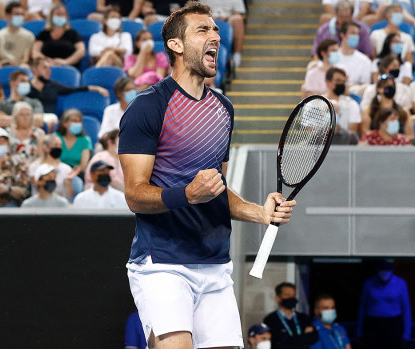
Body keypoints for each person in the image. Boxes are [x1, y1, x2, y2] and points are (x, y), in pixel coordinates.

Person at [119, 3, 297, 348]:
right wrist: (185, 194)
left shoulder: (223, 109)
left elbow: (218, 189)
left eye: (216, 30)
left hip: (215, 265)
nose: (215, 35)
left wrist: (258, 212)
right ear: (176, 45)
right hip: (162, 262)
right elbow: (134, 194)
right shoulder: (148, 106)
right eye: (203, 30)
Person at [357, 260, 411, 349]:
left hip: (393, 324)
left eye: (387, 268)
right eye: (382, 268)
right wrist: (359, 333)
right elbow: (362, 308)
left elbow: (406, 309)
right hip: (373, 324)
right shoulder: (369, 283)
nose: (384, 272)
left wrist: (406, 335)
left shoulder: (400, 283)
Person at [29, 56, 109, 116]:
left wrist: (96, 88)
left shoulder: (53, 85)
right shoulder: (26, 86)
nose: (48, 71)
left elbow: (73, 89)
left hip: (48, 117)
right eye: (44, 67)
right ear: (35, 69)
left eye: (49, 68)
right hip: (29, 116)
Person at [263, 282, 319, 349]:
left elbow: (314, 338)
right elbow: (277, 344)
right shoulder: (270, 319)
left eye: (293, 295)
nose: (291, 298)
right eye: (287, 295)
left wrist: (290, 339)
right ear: (278, 298)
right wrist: (303, 337)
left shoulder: (303, 317)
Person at [199, 0, 246, 68]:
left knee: (238, 19)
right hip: (209, 20)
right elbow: (199, 11)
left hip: (228, 20)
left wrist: (225, 18)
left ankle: (236, 56)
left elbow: (238, 12)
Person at [28, 133, 77, 199]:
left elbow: (69, 195)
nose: (58, 148)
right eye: (56, 145)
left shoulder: (66, 168)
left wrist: (67, 182)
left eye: (60, 145)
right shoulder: (34, 167)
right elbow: (37, 188)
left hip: (59, 205)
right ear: (46, 148)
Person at [0, 1, 36, 68]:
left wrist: (17, 64)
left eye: (22, 14)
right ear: (7, 15)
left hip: (20, 66)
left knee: (25, 67)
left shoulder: (29, 36)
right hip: (3, 66)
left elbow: (26, 59)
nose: (20, 17)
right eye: (17, 14)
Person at [55, 109, 92, 177]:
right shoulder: (56, 137)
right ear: (64, 123)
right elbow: (52, 159)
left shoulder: (85, 140)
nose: (77, 124)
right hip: (57, 172)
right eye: (74, 121)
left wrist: (72, 174)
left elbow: (83, 166)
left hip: (77, 174)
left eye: (79, 121)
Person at [336, 22, 371, 94]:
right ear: (342, 35)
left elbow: (365, 85)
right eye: (352, 33)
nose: (356, 36)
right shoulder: (332, 57)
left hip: (355, 93)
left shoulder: (364, 60)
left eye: (357, 34)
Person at [323, 67, 360, 134]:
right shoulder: (314, 103)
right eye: (338, 80)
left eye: (343, 81)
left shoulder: (351, 104)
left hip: (343, 142)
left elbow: (352, 132)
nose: (341, 84)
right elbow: (310, 132)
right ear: (328, 82)